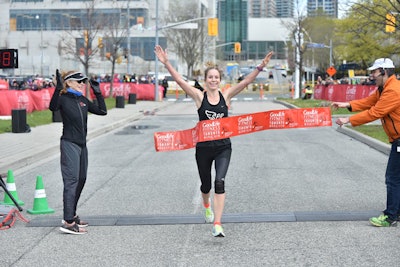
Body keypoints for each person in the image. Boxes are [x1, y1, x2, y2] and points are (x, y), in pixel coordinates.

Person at [154, 45, 273, 237]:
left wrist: (260, 67)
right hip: (203, 148)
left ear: (220, 80)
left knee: (219, 182)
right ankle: (206, 204)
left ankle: (218, 223)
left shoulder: (225, 96)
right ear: (205, 80)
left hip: (223, 148)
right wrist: (166, 62)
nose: (213, 80)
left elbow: (245, 82)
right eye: (210, 77)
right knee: (205, 185)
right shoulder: (199, 97)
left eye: (216, 77)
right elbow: (179, 80)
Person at [332, 58, 400, 227]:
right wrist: (347, 104)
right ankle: (396, 212)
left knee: (392, 178)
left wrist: (348, 120)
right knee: (396, 178)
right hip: (397, 139)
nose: (371, 75)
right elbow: (369, 102)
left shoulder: (393, 91)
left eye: (374, 72)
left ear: (384, 71)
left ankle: (390, 216)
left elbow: (375, 112)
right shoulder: (384, 88)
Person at [49, 70, 107, 234]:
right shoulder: (63, 98)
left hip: (82, 145)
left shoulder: (82, 100)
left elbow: (103, 111)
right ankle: (68, 222)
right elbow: (52, 108)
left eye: (83, 81)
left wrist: (97, 91)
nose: (82, 84)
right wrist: (57, 89)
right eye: (79, 81)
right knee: (71, 180)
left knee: (82, 178)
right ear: (68, 83)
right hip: (69, 143)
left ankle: (71, 214)